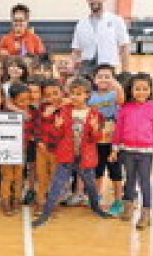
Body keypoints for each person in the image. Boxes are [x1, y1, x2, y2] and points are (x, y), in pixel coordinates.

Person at [32, 77, 112, 227]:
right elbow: (57, 136)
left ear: (87, 95)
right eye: (73, 93)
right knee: (57, 185)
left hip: (85, 158)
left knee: (91, 186)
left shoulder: (94, 114)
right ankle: (46, 213)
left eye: (79, 93)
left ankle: (96, 207)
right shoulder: (63, 111)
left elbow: (96, 138)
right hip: (66, 157)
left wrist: (95, 129)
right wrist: (57, 126)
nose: (75, 96)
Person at [110, 73, 153, 230]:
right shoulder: (125, 108)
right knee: (130, 180)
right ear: (131, 90)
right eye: (137, 89)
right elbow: (118, 130)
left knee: (145, 182)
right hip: (127, 151)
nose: (141, 92)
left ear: (150, 90)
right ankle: (128, 208)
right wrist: (114, 148)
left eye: (145, 89)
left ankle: (145, 213)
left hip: (146, 152)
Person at [71, 0, 131, 76]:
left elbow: (124, 48)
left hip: (108, 68)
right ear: (87, 0)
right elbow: (76, 51)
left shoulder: (116, 20)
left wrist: (125, 72)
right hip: (86, 69)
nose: (94, 0)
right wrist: (73, 72)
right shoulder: (81, 24)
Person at [88, 64, 125, 216]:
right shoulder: (90, 96)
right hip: (96, 141)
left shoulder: (114, 94)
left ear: (113, 79)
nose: (103, 79)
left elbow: (122, 99)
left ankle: (117, 200)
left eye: (107, 76)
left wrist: (116, 85)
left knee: (115, 172)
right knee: (97, 171)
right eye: (100, 76)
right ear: (94, 80)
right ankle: (96, 197)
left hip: (112, 142)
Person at [0, 83, 34, 216]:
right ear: (13, 100)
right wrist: (18, 110)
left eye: (27, 99)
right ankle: (5, 200)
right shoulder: (7, 111)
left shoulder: (30, 112)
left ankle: (16, 199)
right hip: (6, 151)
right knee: (7, 176)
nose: (25, 103)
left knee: (19, 176)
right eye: (21, 100)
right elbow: (6, 103)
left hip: (22, 149)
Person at [36, 78, 63, 214]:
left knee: (56, 177)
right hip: (42, 148)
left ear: (62, 93)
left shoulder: (66, 109)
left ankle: (53, 202)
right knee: (42, 177)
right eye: (48, 95)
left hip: (58, 149)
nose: (52, 97)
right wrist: (39, 141)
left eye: (55, 93)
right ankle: (40, 201)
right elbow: (38, 127)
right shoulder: (42, 108)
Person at [22, 76, 44, 205]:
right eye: (29, 91)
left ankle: (43, 191)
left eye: (35, 92)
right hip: (31, 142)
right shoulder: (24, 106)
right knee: (31, 166)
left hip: (44, 142)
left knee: (42, 169)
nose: (32, 95)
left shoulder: (45, 106)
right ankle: (31, 189)